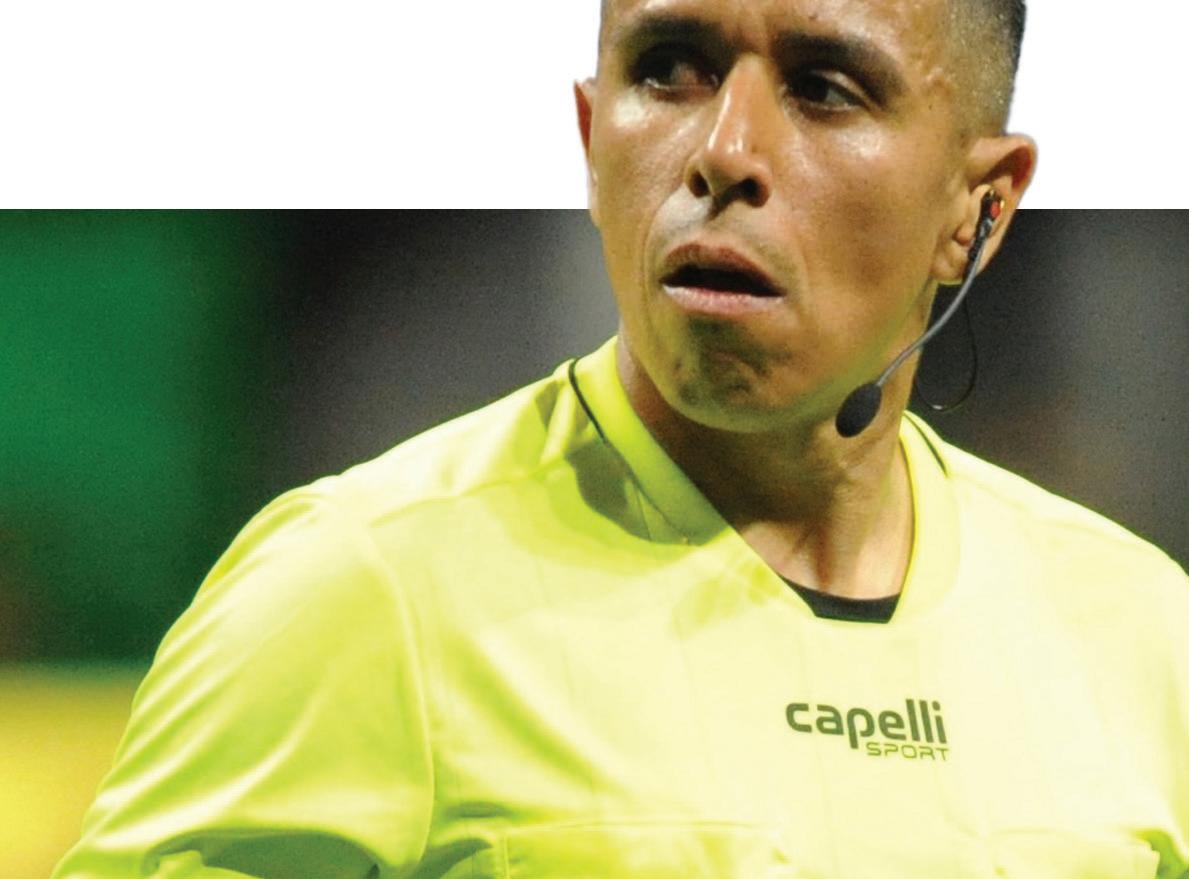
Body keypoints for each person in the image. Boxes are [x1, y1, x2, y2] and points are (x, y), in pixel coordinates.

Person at [55, 0, 1188, 876]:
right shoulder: (362, 589)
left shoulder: (1141, 637)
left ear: (979, 208)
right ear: (592, 138)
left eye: (825, 89)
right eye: (669, 68)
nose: (725, 150)